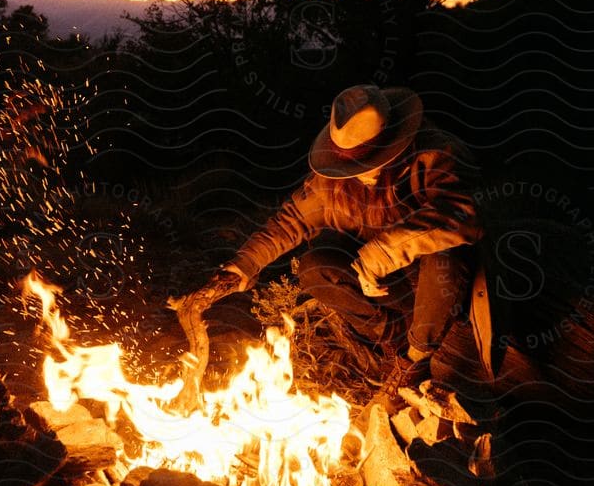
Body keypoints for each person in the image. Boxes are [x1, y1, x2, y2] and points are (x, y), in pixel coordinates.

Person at [184, 83, 481, 384]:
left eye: (372, 160)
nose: (366, 171)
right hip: (388, 290)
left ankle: (415, 359)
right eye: (355, 163)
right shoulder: (334, 180)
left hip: (444, 289)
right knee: (317, 266)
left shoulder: (434, 153)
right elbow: (293, 220)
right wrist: (244, 264)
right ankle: (393, 339)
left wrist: (382, 252)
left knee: (443, 255)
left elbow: (462, 214)